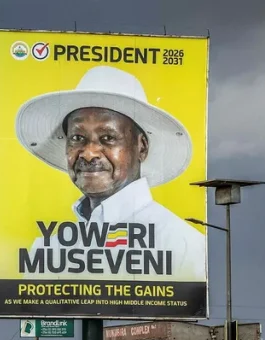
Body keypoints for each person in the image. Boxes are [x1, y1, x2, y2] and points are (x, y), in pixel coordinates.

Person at [19, 65, 206, 282]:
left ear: (141, 147)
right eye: (78, 138)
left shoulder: (182, 244)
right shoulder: (47, 249)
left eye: (108, 138)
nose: (88, 154)